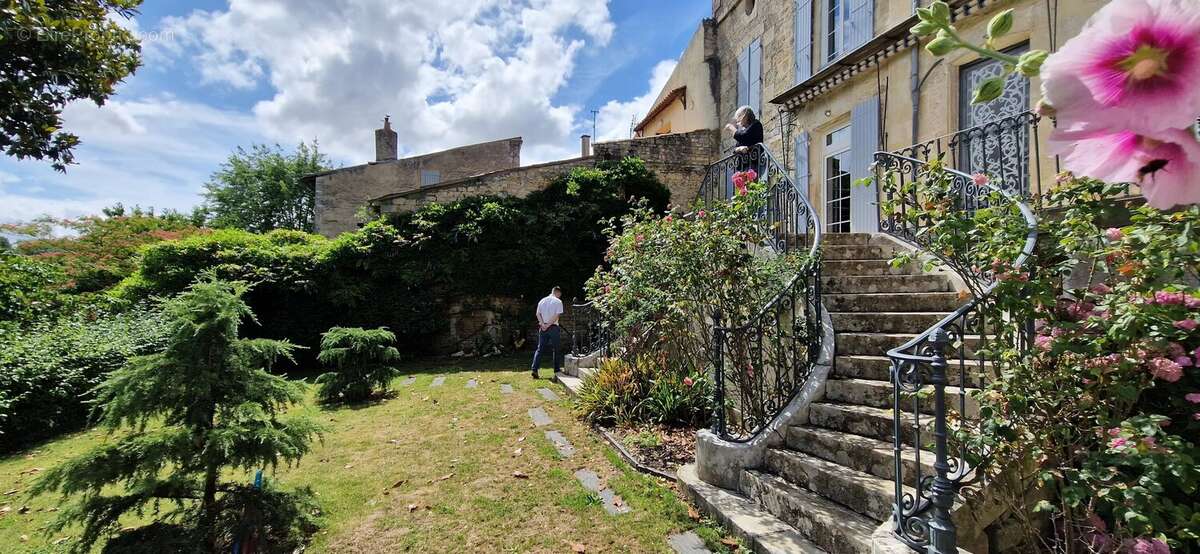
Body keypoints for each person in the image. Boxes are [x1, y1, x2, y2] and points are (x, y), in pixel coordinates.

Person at [531, 286, 564, 378]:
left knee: (540, 348)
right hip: (553, 327)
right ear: (558, 293)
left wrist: (542, 324)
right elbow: (556, 315)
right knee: (556, 349)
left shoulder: (542, 300)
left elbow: (538, 313)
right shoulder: (558, 301)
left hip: (543, 327)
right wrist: (548, 325)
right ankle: (557, 370)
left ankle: (534, 369)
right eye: (559, 295)